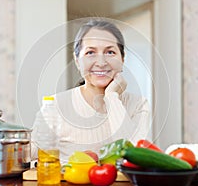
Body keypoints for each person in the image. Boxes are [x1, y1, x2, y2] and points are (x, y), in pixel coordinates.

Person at [31, 18, 150, 164]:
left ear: (123, 59)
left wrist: (112, 97)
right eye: (90, 52)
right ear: (77, 60)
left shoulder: (138, 105)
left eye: (110, 52)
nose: (101, 63)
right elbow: (31, 157)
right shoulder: (54, 106)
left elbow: (135, 158)